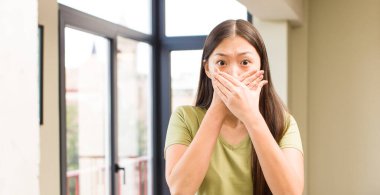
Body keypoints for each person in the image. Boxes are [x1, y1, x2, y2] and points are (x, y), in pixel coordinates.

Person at [164, 19, 304, 195]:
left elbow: (290, 193)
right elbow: (179, 190)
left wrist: (250, 115)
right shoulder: (184, 118)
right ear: (208, 68)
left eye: (245, 62)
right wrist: (218, 108)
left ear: (261, 65)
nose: (234, 74)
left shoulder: (284, 123)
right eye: (222, 63)